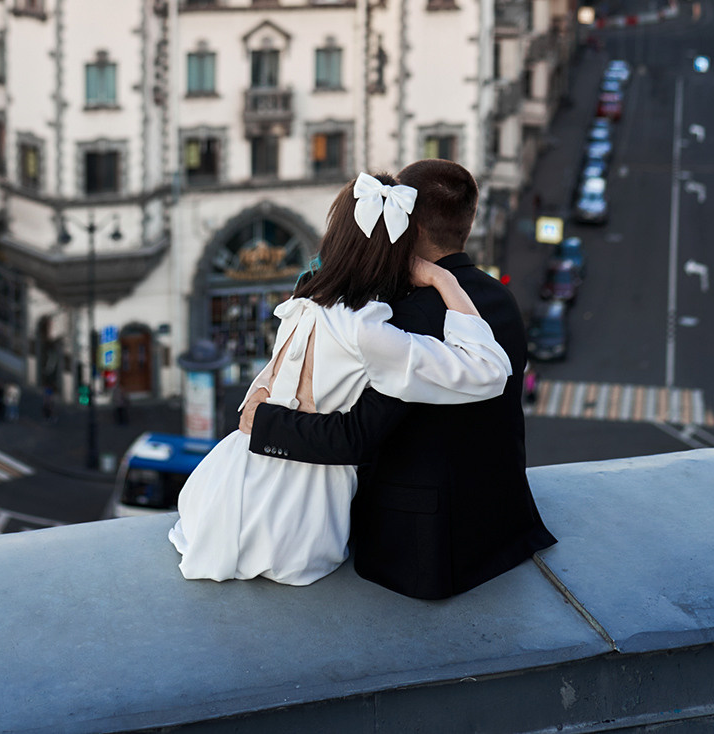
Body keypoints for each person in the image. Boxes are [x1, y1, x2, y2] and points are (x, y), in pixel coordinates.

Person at [169, 171, 512, 586]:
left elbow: (269, 387)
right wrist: (443, 279)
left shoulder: (308, 295)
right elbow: (489, 370)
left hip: (224, 485)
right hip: (293, 511)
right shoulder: (367, 329)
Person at [244, 159, 556, 599]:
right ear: (466, 224)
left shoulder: (400, 317)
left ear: (406, 224)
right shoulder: (497, 295)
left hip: (424, 545)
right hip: (502, 524)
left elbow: (357, 435)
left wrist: (263, 423)